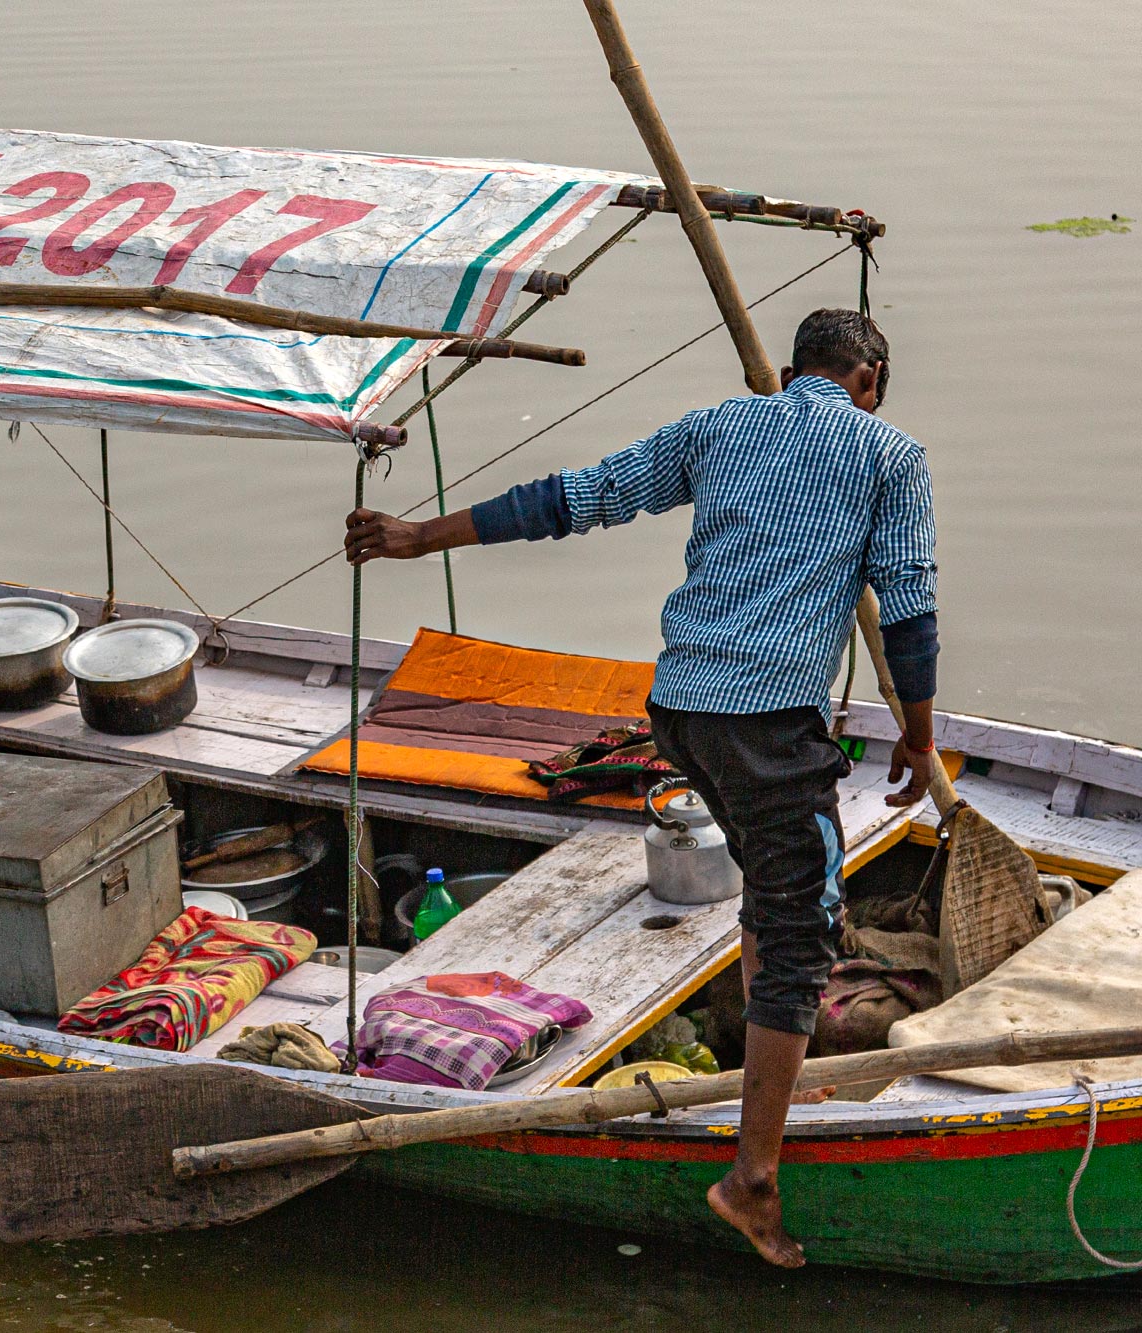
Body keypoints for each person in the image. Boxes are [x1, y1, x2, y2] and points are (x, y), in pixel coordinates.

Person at [344, 308, 938, 1268]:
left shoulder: (716, 427)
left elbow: (577, 497)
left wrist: (419, 538)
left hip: (681, 710)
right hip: (768, 726)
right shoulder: (890, 454)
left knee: (771, 889)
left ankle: (765, 1077)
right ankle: (750, 1179)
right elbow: (908, 605)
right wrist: (916, 731)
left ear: (791, 374)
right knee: (800, 933)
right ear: (869, 379)